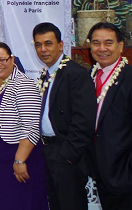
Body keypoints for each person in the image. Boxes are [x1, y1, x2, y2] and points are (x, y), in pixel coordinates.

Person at [0, 42, 47, 210]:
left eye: (2, 60)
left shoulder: (24, 84)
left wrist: (19, 160)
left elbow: (31, 126)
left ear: (12, 59)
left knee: (24, 204)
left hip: (18, 158)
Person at [32, 23, 95, 210]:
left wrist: (67, 155)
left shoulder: (75, 73)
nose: (43, 49)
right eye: (38, 44)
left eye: (48, 43)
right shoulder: (48, 73)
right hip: (48, 151)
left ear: (60, 45)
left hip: (66, 154)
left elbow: (84, 120)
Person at [88, 22, 132, 209]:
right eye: (96, 43)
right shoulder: (89, 77)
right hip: (98, 169)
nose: (102, 48)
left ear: (120, 46)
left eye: (108, 43)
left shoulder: (129, 78)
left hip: (124, 172)